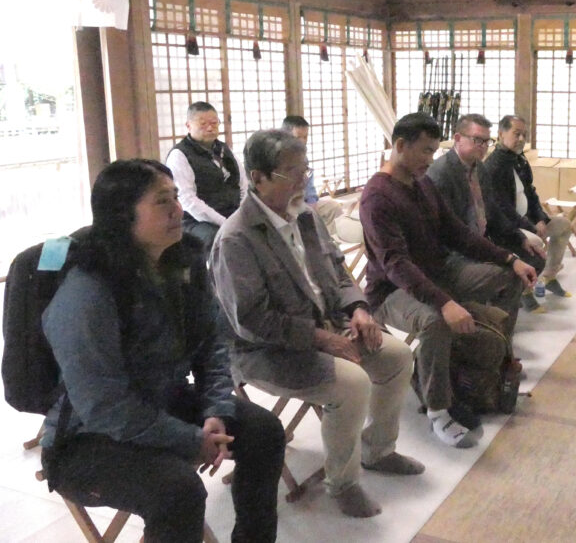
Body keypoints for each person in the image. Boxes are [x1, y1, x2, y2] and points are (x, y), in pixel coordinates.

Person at [40, 159, 285, 543]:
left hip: (158, 401)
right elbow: (102, 405)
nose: (177, 209)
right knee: (178, 491)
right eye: (161, 201)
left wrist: (215, 410)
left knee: (263, 431)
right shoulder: (88, 291)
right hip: (86, 438)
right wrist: (190, 440)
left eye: (175, 197)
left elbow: (212, 346)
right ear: (123, 215)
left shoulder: (182, 262)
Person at [210, 129, 421, 519]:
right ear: (257, 178)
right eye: (293, 173)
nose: (303, 181)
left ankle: (378, 450)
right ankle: (343, 482)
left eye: (305, 170)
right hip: (266, 351)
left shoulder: (306, 217)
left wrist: (358, 308)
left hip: (327, 325)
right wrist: (321, 338)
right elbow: (252, 321)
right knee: (352, 384)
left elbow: (339, 273)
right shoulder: (236, 239)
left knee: (397, 356)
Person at [360, 112, 536, 448]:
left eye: (433, 150)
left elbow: (456, 233)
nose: (431, 158)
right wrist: (445, 302)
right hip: (392, 291)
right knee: (434, 320)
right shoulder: (377, 196)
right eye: (425, 151)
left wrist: (509, 259)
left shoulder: (422, 183)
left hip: (437, 273)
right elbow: (396, 264)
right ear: (400, 146)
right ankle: (438, 410)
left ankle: (496, 368)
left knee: (507, 280)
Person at [480, 114, 572, 309]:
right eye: (516, 134)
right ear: (500, 134)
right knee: (536, 243)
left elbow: (531, 192)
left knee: (563, 225)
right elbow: (501, 207)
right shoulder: (493, 166)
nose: (521, 139)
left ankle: (549, 276)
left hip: (529, 220)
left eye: (524, 134)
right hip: (509, 227)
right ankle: (524, 289)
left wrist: (539, 218)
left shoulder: (519, 159)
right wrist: (529, 226)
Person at [165, 102, 242, 254]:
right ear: (188, 125)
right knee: (220, 240)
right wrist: (224, 222)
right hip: (197, 220)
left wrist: (243, 213)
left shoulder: (223, 149)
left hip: (232, 213)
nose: (210, 128)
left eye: (214, 123)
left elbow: (243, 183)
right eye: (203, 124)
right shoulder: (179, 155)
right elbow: (187, 200)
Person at [280, 115, 356, 242]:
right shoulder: (278, 158)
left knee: (332, 206)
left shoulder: (303, 157)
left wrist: (312, 201)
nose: (303, 141)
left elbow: (309, 184)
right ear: (286, 136)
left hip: (304, 203)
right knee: (304, 217)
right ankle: (316, 244)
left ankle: (332, 243)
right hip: (287, 206)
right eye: (298, 137)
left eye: (305, 137)